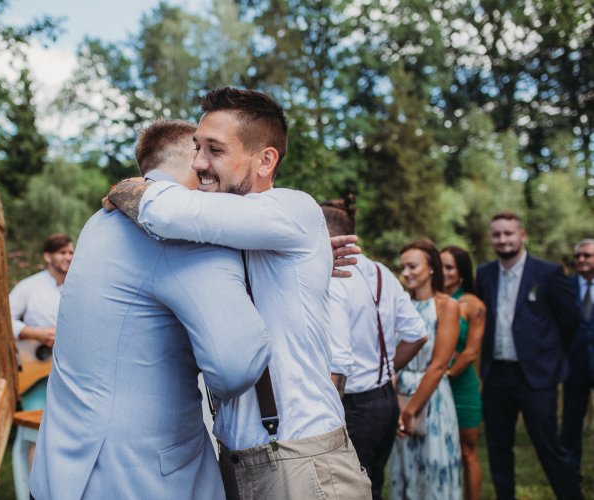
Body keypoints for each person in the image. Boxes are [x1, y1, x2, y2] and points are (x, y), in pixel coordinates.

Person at [107, 87, 371, 499]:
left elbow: (168, 212)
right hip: (234, 459)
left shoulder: (295, 208)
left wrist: (129, 189)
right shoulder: (229, 236)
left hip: (302, 464)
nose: (197, 163)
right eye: (197, 148)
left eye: (214, 150)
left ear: (265, 159)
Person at [28, 120, 271, 500]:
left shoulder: (100, 221)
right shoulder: (186, 232)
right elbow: (233, 368)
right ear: (197, 160)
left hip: (61, 468)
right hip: (145, 479)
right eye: (210, 153)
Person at [321, 197, 427, 500]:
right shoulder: (381, 272)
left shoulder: (334, 279)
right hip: (384, 401)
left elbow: (337, 361)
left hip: (351, 405)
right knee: (373, 486)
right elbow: (417, 334)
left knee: (344, 491)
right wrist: (385, 370)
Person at [476, 212, 582, 500]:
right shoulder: (484, 274)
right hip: (496, 375)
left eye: (508, 233)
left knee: (550, 449)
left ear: (522, 235)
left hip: (536, 377)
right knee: (498, 450)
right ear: (491, 238)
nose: (503, 239)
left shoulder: (548, 274)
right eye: (497, 234)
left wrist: (547, 356)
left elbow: (570, 322)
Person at [390, 238, 461, 500]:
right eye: (403, 267)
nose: (405, 273)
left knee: (435, 466)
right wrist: (398, 407)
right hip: (400, 394)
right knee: (406, 469)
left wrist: (411, 410)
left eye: (412, 266)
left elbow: (440, 364)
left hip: (432, 397)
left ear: (431, 268)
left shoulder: (447, 305)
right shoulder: (401, 305)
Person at [440, 245, 486, 500]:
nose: (444, 272)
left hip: (459, 385)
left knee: (467, 451)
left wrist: (443, 377)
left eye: (449, 267)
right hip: (431, 384)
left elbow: (470, 353)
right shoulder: (428, 299)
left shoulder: (472, 304)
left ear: (461, 273)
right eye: (440, 266)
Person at [9, 233, 73, 410]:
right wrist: (35, 333)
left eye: (71, 252)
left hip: (71, 374)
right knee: (34, 430)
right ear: (47, 256)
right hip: (35, 371)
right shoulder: (28, 286)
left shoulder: (80, 288)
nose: (68, 257)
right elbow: (2, 320)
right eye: (62, 252)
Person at [560, 239, 594, 476]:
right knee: (571, 422)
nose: (581, 260)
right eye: (578, 255)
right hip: (574, 364)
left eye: (587, 256)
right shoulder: (565, 286)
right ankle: (570, 472)